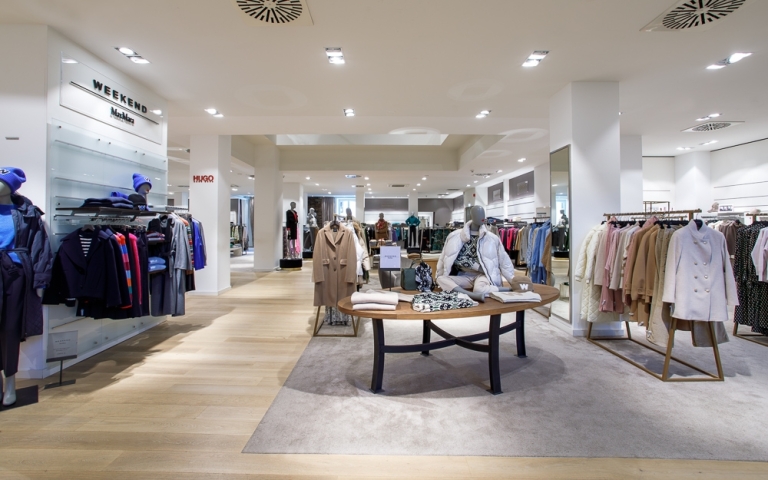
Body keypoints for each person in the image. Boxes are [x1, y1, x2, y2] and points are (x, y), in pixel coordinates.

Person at [436, 205, 530, 302]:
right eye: (478, 214)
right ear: (472, 216)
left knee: (479, 289)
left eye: (483, 214)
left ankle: (508, 290)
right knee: (441, 279)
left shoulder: (492, 238)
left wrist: (513, 282)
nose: (482, 217)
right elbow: (444, 257)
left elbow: (504, 261)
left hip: (483, 275)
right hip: (463, 275)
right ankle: (473, 295)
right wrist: (440, 273)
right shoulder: (454, 236)